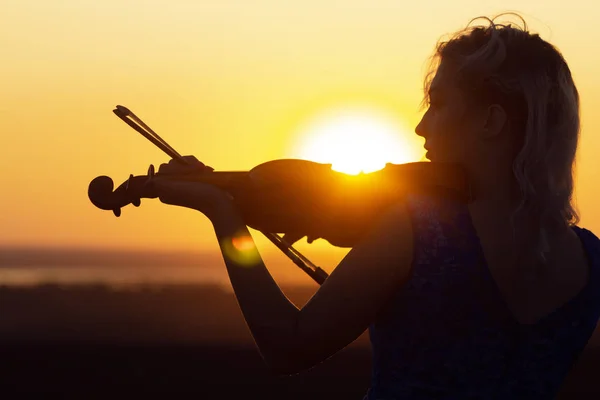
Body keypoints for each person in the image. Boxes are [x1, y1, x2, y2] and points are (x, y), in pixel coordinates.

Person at [146, 13, 600, 399]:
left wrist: (223, 214)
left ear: (491, 120)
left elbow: (288, 347)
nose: (422, 126)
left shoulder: (423, 228)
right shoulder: (590, 262)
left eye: (439, 105)